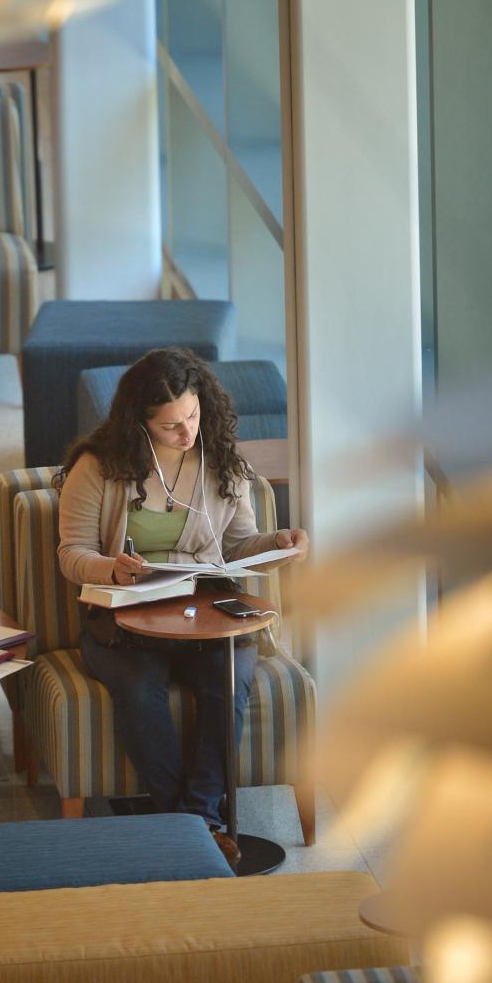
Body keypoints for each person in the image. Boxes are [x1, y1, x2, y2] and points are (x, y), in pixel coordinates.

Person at [56, 348, 309, 867]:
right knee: (137, 686)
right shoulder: (100, 465)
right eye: (170, 425)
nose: (187, 433)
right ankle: (197, 826)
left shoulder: (217, 457)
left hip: (203, 608)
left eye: (192, 416)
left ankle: (193, 821)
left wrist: (275, 542)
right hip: (124, 614)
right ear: (139, 422)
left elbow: (237, 547)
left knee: (231, 672)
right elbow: (72, 553)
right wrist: (112, 568)